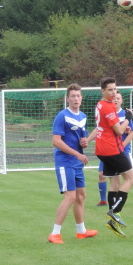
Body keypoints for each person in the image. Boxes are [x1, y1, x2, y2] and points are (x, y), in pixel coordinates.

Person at [48, 84, 97, 244]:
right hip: (65, 162)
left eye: (78, 96)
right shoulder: (62, 116)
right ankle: (55, 233)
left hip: (77, 163)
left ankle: (81, 231)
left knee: (81, 196)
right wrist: (77, 154)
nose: (76, 99)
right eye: (73, 96)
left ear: (81, 98)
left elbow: (82, 140)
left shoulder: (82, 116)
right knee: (70, 197)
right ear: (67, 98)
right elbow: (56, 141)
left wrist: (84, 143)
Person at [96, 91, 133, 207]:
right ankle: (105, 202)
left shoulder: (124, 114)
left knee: (131, 176)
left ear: (122, 101)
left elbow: (131, 133)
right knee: (104, 175)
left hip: (121, 151)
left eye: (118, 98)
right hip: (109, 151)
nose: (116, 100)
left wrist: (121, 146)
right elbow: (99, 129)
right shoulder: (108, 112)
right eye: (114, 98)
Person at [94, 78, 133, 237]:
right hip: (111, 149)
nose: (113, 93)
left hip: (102, 149)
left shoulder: (100, 104)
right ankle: (115, 212)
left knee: (115, 182)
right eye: (110, 90)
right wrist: (128, 118)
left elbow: (108, 126)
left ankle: (112, 222)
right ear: (103, 91)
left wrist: (123, 123)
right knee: (131, 178)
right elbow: (119, 130)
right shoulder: (108, 107)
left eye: (115, 89)